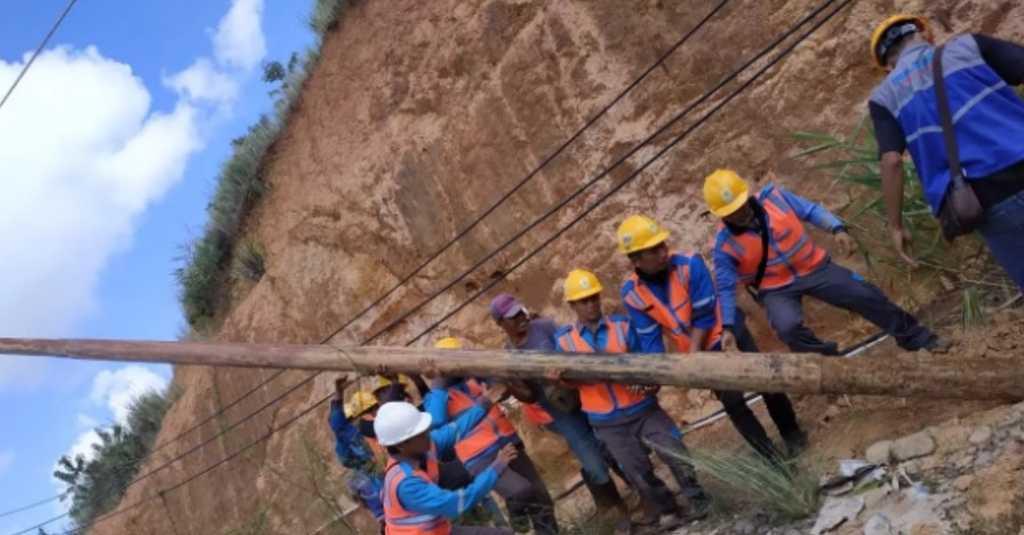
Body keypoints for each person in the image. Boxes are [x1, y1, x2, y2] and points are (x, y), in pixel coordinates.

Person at [616, 214, 806, 461]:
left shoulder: (689, 264)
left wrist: (693, 356)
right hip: (698, 351)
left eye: (662, 245)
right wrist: (652, 374)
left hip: (726, 332)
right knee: (733, 404)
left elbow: (704, 313)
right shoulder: (632, 294)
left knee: (764, 382)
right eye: (653, 250)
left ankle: (792, 434)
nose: (663, 252)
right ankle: (770, 458)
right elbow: (650, 340)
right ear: (636, 260)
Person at [704, 169, 949, 357]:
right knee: (787, 327)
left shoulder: (776, 198)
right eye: (731, 212)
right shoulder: (724, 246)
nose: (739, 213)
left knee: (864, 294)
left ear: (747, 195)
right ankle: (827, 363)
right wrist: (728, 327)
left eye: (740, 205)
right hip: (776, 289)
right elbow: (726, 289)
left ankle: (916, 338)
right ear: (721, 215)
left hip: (814, 267)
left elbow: (810, 210)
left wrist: (837, 228)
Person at [867, 15, 1024, 291]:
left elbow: (891, 161)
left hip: (989, 199)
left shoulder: (885, 97)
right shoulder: (968, 46)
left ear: (888, 66)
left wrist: (896, 226)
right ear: (925, 36)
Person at [551, 268, 710, 530]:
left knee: (674, 450)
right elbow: (570, 382)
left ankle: (697, 499)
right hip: (607, 421)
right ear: (572, 305)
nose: (590, 305)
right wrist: (561, 381)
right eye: (583, 301)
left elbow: (646, 363)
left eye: (593, 298)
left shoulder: (623, 326)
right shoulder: (565, 341)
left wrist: (649, 385)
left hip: (643, 409)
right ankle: (667, 508)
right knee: (637, 472)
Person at [488, 293, 626, 517]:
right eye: (513, 317)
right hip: (562, 413)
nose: (521, 317)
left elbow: (574, 348)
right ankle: (620, 510)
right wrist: (509, 382)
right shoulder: (511, 354)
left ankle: (643, 494)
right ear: (500, 323)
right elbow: (530, 396)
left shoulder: (544, 327)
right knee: (593, 462)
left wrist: (565, 372)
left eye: (520, 311)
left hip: (587, 395)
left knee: (613, 446)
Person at [428, 337, 559, 535]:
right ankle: (518, 526)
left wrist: (482, 371)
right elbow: (436, 422)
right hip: (479, 458)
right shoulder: (438, 397)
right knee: (521, 491)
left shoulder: (475, 379)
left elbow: (501, 388)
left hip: (508, 442)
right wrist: (438, 386)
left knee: (542, 498)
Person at [376, 399, 516, 535]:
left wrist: (484, 404)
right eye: (420, 434)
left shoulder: (422, 447)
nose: (428, 435)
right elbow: (457, 502)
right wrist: (495, 469)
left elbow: (455, 429)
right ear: (401, 445)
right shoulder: (407, 485)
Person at [329, 376, 385, 529]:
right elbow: (339, 426)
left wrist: (338, 393)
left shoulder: (358, 438)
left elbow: (338, 427)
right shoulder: (359, 438)